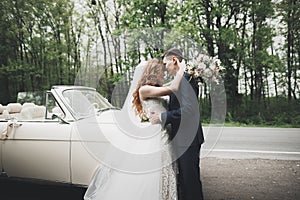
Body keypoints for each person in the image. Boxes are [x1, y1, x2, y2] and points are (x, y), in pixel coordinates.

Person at [84, 58, 185, 200]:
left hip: (164, 135)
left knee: (166, 174)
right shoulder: (145, 89)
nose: (164, 75)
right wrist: (182, 70)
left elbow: (170, 85)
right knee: (156, 175)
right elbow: (173, 88)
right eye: (162, 73)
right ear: (153, 73)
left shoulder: (155, 88)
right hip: (155, 137)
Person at [149, 48, 205, 200]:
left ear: (174, 60)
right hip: (181, 139)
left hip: (188, 138)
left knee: (190, 182)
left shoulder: (187, 80)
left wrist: (162, 116)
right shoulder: (181, 79)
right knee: (184, 182)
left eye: (166, 64)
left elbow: (189, 110)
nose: (165, 68)